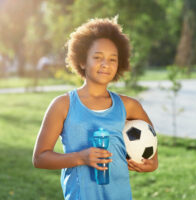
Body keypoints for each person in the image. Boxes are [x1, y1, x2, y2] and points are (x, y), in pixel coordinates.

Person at [32, 18, 158, 200]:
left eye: (112, 59)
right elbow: (40, 158)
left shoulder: (129, 106)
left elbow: (152, 151)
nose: (105, 64)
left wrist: (150, 164)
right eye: (97, 57)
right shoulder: (63, 105)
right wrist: (81, 158)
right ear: (82, 61)